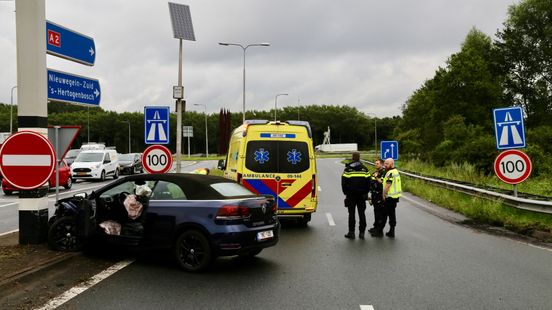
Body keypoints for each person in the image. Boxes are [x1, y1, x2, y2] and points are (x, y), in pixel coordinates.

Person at [341, 152, 371, 239]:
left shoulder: (348, 169)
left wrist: (346, 193)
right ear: (359, 158)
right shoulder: (365, 169)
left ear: (352, 158)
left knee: (351, 214)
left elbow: (343, 183)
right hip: (362, 196)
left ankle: (351, 232)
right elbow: (369, 183)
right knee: (362, 214)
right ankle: (362, 233)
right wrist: (365, 193)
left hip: (351, 196)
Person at [381, 158, 402, 238]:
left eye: (387, 163)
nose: (385, 165)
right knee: (392, 214)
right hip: (394, 197)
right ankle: (391, 231)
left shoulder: (390, 173)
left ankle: (380, 231)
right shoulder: (396, 171)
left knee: (384, 214)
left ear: (392, 164)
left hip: (389, 197)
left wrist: (383, 194)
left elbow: (387, 185)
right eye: (384, 163)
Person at [368, 159, 386, 237]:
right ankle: (375, 227)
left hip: (380, 195)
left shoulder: (384, 173)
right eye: (375, 163)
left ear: (382, 164)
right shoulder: (374, 173)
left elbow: (382, 183)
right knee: (376, 212)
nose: (376, 165)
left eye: (378, 163)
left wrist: (376, 177)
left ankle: (379, 231)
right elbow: (370, 184)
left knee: (379, 213)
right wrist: (370, 197)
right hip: (374, 195)